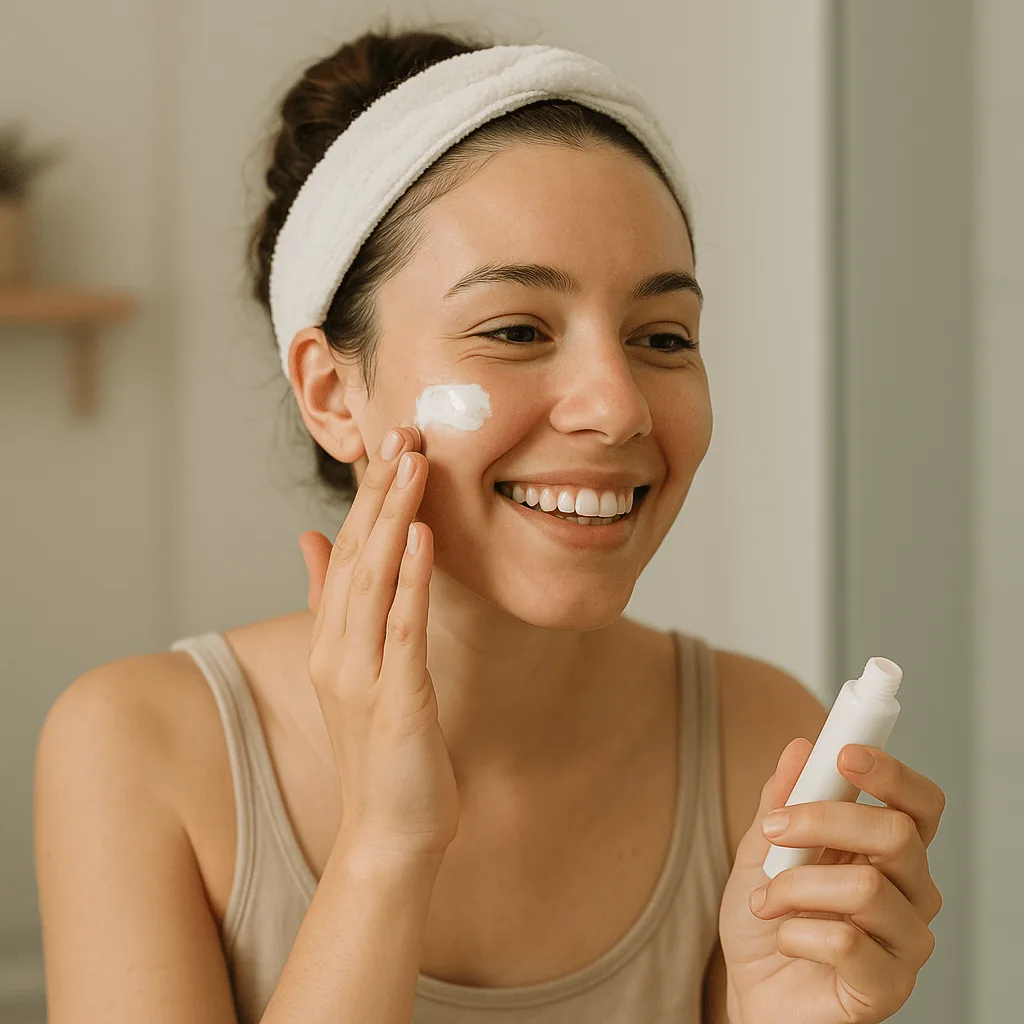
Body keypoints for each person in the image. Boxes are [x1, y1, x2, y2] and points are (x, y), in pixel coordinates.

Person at [33, 24, 945, 1024]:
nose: (618, 407)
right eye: (515, 329)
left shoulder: (757, 743)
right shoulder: (139, 750)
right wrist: (385, 843)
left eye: (661, 337)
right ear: (332, 393)